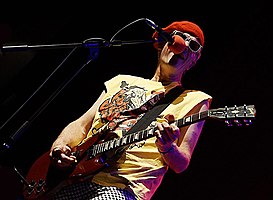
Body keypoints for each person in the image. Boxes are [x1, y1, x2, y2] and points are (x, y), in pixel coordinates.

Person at [48, 19, 212, 200]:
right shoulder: (120, 81)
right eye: (180, 38)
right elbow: (81, 125)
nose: (184, 45)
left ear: (194, 61)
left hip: (122, 188)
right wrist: (60, 146)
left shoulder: (194, 99)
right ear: (161, 43)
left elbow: (181, 163)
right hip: (74, 179)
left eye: (193, 45)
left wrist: (168, 146)